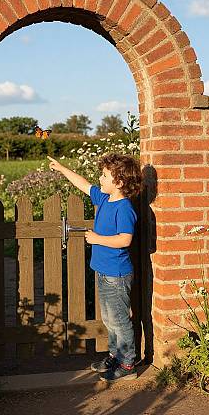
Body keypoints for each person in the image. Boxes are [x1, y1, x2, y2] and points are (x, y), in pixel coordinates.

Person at [47, 153, 141, 382]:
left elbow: (125, 239)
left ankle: (128, 364)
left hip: (116, 275)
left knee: (119, 320)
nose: (100, 178)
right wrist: (62, 168)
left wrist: (98, 239)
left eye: (105, 175)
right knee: (109, 319)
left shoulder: (124, 208)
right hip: (104, 271)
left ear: (119, 182)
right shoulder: (104, 199)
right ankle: (114, 355)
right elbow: (84, 184)